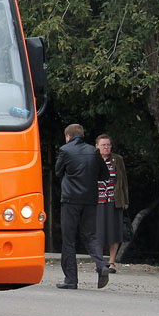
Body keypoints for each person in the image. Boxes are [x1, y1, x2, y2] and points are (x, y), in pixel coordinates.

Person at [54, 123, 111, 290]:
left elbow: (58, 172)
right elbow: (105, 176)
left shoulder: (65, 150)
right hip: (90, 200)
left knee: (69, 239)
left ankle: (71, 279)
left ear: (68, 136)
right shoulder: (93, 151)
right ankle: (101, 265)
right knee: (91, 235)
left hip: (70, 200)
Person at [94, 134, 128, 273]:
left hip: (114, 200)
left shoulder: (117, 160)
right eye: (103, 145)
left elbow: (123, 180)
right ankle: (100, 262)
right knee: (99, 231)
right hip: (97, 200)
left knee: (114, 231)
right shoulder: (92, 159)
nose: (106, 147)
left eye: (108, 145)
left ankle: (112, 261)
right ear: (97, 146)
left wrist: (125, 200)